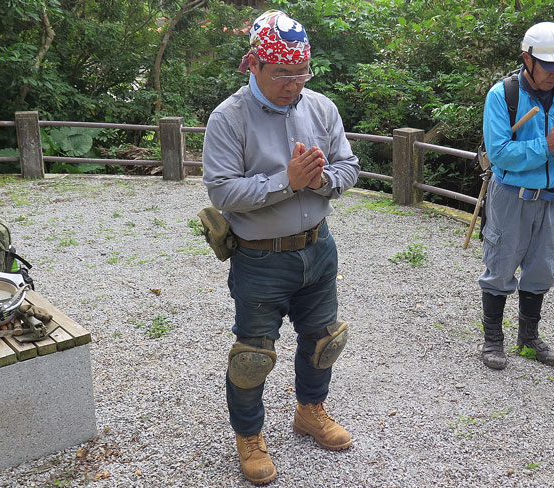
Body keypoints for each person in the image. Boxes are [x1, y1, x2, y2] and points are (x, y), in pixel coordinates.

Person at [202, 10, 360, 486]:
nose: (293, 85)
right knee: (253, 354)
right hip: (260, 257)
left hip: (318, 246)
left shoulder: (321, 108)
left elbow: (349, 165)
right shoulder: (228, 118)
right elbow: (222, 192)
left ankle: (310, 412)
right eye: (281, 74)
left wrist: (323, 179)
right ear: (253, 64)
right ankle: (248, 435)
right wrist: (287, 183)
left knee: (324, 339)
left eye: (300, 74)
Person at [477, 22, 554, 370]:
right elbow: (499, 152)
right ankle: (493, 340)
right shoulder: (503, 95)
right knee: (500, 264)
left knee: (543, 266)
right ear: (527, 59)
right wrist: (546, 146)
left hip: (551, 197)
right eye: (549, 66)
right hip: (510, 196)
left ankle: (528, 337)